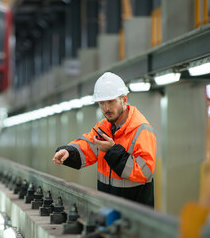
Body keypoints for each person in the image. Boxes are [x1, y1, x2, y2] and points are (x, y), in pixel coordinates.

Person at [52, 72, 156, 207]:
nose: (106, 108)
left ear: (124, 100)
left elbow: (145, 172)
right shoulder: (103, 127)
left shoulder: (141, 130)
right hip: (108, 207)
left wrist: (112, 151)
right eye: (101, 103)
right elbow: (88, 146)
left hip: (135, 213)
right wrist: (68, 152)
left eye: (111, 102)